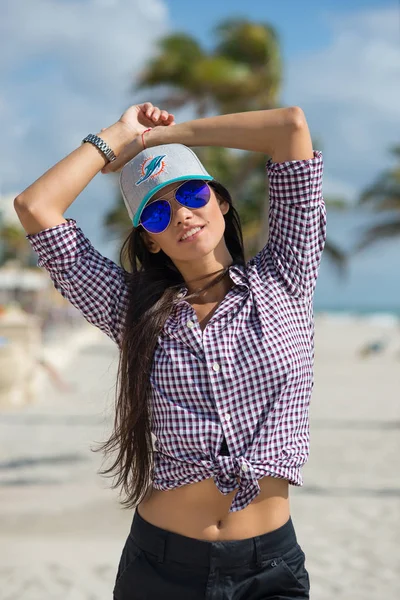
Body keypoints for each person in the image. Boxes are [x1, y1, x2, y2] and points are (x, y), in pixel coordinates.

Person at [14, 102, 326, 599]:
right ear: (151, 241)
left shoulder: (286, 275)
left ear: (221, 201)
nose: (181, 213)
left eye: (192, 192)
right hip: (160, 568)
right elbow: (36, 208)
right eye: (157, 211)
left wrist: (159, 140)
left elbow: (289, 127)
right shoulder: (131, 310)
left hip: (269, 570)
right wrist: (115, 136)